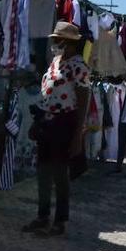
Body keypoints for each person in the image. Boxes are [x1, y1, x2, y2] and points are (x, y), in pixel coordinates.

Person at [23, 22, 91, 237]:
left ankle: (60, 220)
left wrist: (78, 135)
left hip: (65, 122)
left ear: (69, 43)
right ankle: (42, 215)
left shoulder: (79, 67)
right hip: (47, 120)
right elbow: (47, 95)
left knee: (60, 174)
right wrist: (37, 121)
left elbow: (83, 102)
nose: (54, 44)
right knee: (43, 171)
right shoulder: (55, 63)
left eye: (57, 40)